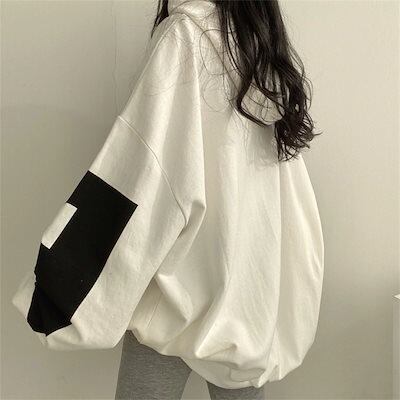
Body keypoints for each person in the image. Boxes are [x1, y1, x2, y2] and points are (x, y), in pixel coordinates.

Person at [11, 0, 324, 399]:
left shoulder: (186, 37)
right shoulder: (261, 50)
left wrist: (59, 289)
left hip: (176, 299)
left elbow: (138, 175)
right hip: (248, 307)